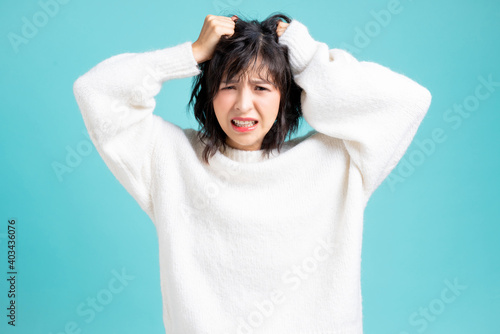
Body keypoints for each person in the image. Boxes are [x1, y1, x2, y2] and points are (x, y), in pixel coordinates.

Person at [73, 12, 432, 334]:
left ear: (285, 95)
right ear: (209, 95)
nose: (244, 105)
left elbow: (406, 102)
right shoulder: (169, 158)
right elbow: (95, 91)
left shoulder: (336, 160)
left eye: (261, 88)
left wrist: (307, 59)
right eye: (228, 86)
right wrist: (191, 53)